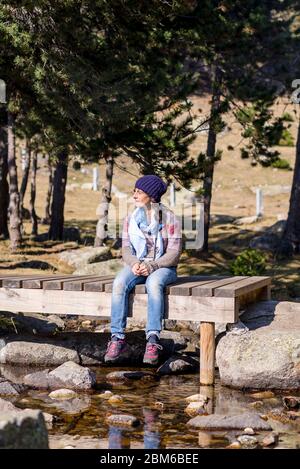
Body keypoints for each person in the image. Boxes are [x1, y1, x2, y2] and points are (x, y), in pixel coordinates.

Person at [104, 174, 182, 366]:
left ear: (152, 196)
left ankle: (153, 340)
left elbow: (174, 253)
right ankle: (117, 338)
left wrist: (152, 265)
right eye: (135, 191)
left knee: (153, 283)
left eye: (139, 192)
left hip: (163, 268)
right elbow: (125, 249)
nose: (134, 195)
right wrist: (134, 263)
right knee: (119, 282)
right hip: (137, 265)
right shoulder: (131, 219)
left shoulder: (170, 219)